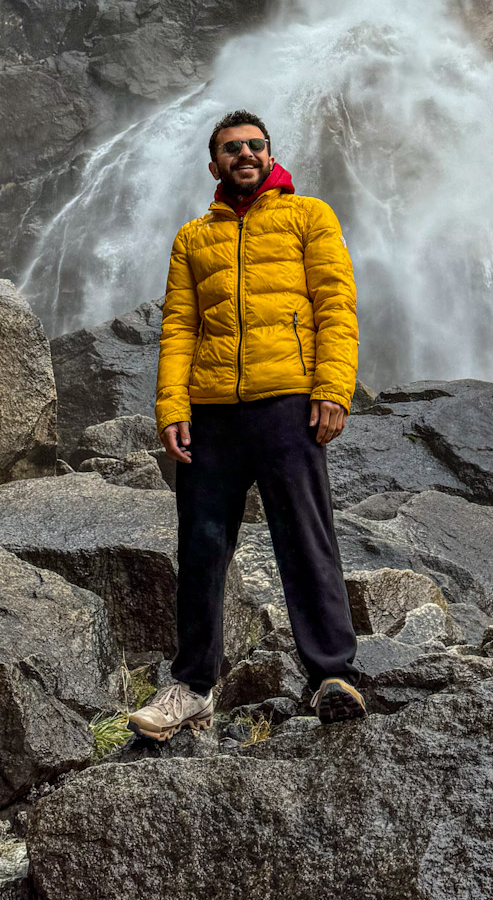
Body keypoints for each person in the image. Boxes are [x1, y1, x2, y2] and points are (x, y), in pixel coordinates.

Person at [128, 109, 365, 740]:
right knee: (202, 547)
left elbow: (335, 307)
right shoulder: (192, 238)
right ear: (214, 165)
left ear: (270, 155)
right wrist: (172, 409)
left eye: (255, 146)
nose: (245, 155)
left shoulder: (308, 216)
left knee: (305, 537)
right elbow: (179, 328)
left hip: (288, 400)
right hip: (209, 412)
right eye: (232, 148)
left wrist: (333, 388)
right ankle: (192, 687)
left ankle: (331, 675)